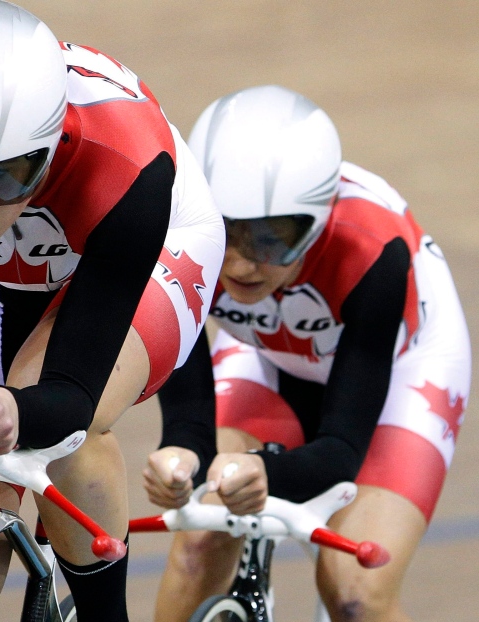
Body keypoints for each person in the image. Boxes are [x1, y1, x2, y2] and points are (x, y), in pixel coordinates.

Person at [0, 2, 226, 618]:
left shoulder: (127, 166)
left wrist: (19, 407)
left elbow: (71, 392)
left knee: (52, 428)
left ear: (49, 149)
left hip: (143, 244)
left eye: (0, 176)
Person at [144, 85, 471, 621]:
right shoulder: (182, 227)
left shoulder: (372, 250)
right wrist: (182, 459)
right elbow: (188, 398)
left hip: (404, 370)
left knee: (355, 595)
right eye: (229, 235)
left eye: (272, 241)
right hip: (268, 354)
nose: (243, 266)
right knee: (199, 545)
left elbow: (341, 448)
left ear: (318, 221)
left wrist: (263, 470)